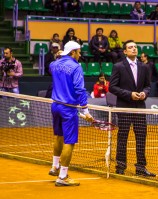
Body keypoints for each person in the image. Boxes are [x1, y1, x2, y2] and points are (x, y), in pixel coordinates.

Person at [48, 41, 94, 186]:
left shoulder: (54, 64)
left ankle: (54, 166)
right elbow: (80, 90)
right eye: (79, 52)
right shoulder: (76, 67)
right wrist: (86, 111)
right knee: (70, 141)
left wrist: (59, 57)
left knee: (58, 136)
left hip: (55, 105)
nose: (80, 55)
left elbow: (53, 66)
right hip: (68, 109)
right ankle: (62, 177)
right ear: (73, 52)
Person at [109, 40, 155, 177]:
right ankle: (120, 167)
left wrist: (144, 93)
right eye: (130, 47)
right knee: (122, 136)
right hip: (124, 107)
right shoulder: (118, 66)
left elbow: (148, 86)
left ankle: (141, 167)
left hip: (140, 107)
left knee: (141, 137)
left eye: (135, 47)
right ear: (125, 51)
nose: (134, 49)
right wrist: (129, 95)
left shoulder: (144, 67)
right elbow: (112, 87)